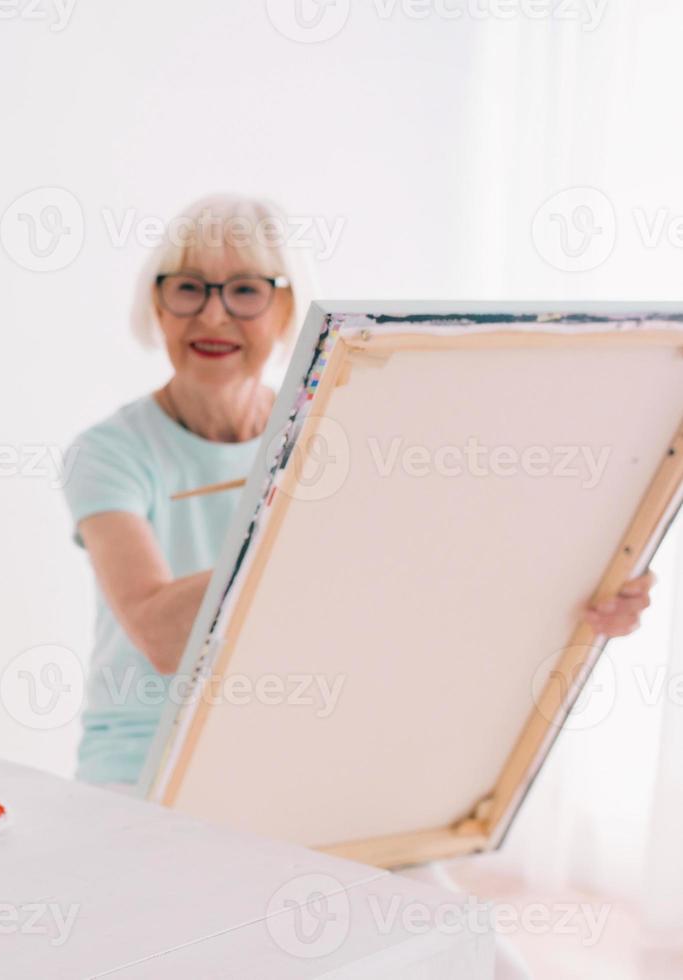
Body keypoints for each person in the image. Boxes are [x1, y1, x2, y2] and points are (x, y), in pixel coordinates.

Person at [62, 192, 656, 786]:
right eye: (189, 287)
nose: (213, 317)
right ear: (157, 305)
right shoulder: (109, 452)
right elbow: (161, 636)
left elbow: (419, 586)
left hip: (295, 745)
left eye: (246, 291)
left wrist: (586, 581)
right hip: (141, 756)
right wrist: (323, 525)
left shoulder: (331, 432)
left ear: (286, 310)